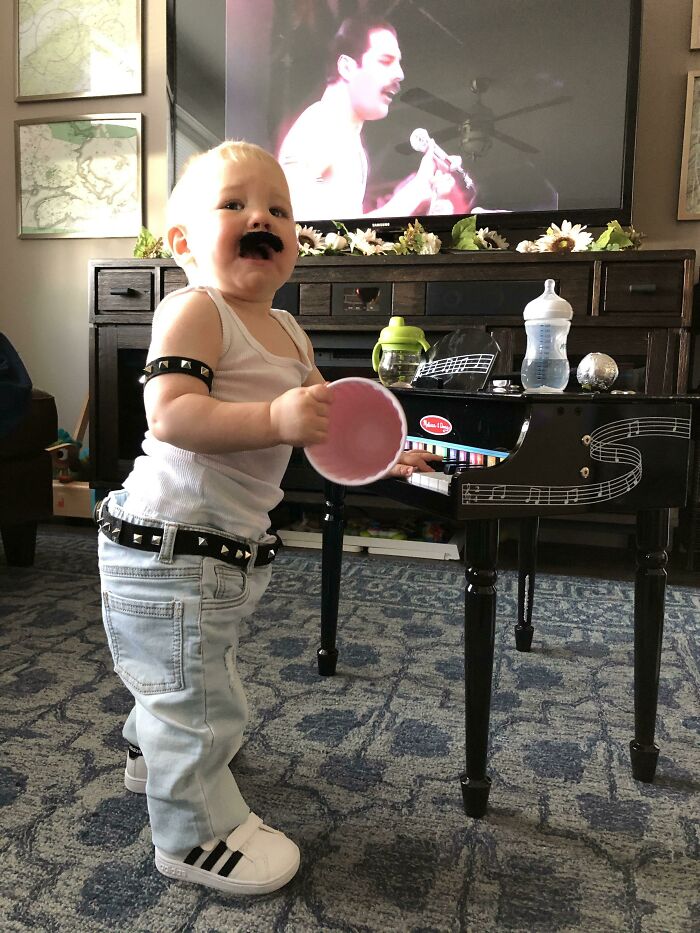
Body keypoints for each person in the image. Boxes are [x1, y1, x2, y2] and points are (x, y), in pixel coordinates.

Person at [96, 140, 440, 897]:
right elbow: (174, 413)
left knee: (189, 674)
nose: (261, 218)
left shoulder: (288, 330)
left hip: (218, 554)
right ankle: (196, 836)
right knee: (200, 701)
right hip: (169, 547)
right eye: (234, 205)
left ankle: (151, 753)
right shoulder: (195, 309)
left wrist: (389, 450)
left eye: (279, 209)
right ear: (183, 242)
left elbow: (331, 422)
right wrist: (276, 415)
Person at [277, 15, 466, 220]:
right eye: (385, 61)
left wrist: (424, 198)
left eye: (398, 63)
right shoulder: (321, 126)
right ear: (347, 67)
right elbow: (304, 234)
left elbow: (345, 234)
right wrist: (414, 194)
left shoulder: (345, 136)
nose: (399, 74)